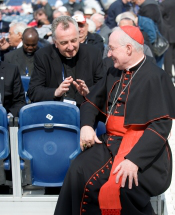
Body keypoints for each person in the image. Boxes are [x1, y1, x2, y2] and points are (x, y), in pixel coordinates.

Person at [54, 26, 175, 215]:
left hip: (144, 150)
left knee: (124, 185)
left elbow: (160, 126)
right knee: (78, 170)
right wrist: (86, 126)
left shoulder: (156, 76)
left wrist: (134, 160)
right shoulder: (113, 72)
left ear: (128, 48)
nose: (108, 54)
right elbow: (90, 102)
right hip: (111, 143)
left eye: (111, 49)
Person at [27, 16, 104, 108]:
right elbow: (33, 92)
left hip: (86, 109)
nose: (71, 47)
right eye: (64, 43)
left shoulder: (93, 53)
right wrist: (56, 92)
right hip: (56, 110)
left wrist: (88, 92)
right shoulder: (43, 56)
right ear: (55, 42)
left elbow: (103, 87)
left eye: (74, 40)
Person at [159, 0, 175, 81]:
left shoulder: (164, 4)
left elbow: (159, 15)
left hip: (168, 32)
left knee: (168, 55)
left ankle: (169, 75)